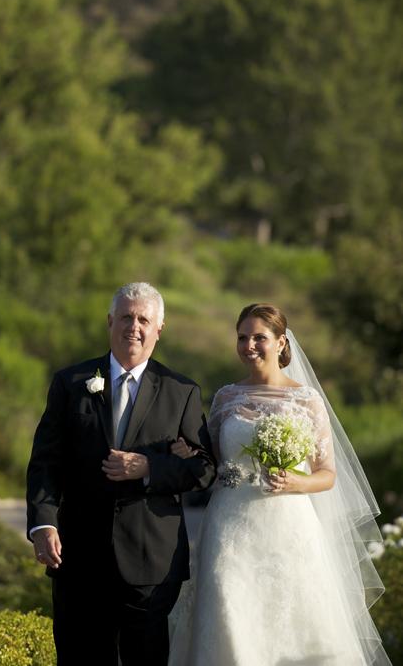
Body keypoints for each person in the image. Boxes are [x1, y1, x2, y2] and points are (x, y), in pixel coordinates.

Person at [168, 304, 388, 666]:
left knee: (289, 621)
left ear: (281, 342)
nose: (249, 345)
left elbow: (327, 474)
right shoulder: (225, 398)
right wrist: (185, 452)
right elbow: (209, 462)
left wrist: (295, 481)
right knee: (227, 606)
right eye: (242, 337)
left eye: (259, 337)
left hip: (288, 528)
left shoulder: (306, 400)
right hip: (229, 527)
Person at [26, 282, 216, 666]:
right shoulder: (71, 383)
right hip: (78, 559)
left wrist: (150, 468)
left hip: (151, 564)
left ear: (158, 329)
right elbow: (46, 462)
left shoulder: (182, 391)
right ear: (110, 321)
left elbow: (205, 469)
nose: (134, 326)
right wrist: (43, 525)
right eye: (126, 317)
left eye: (144, 319)